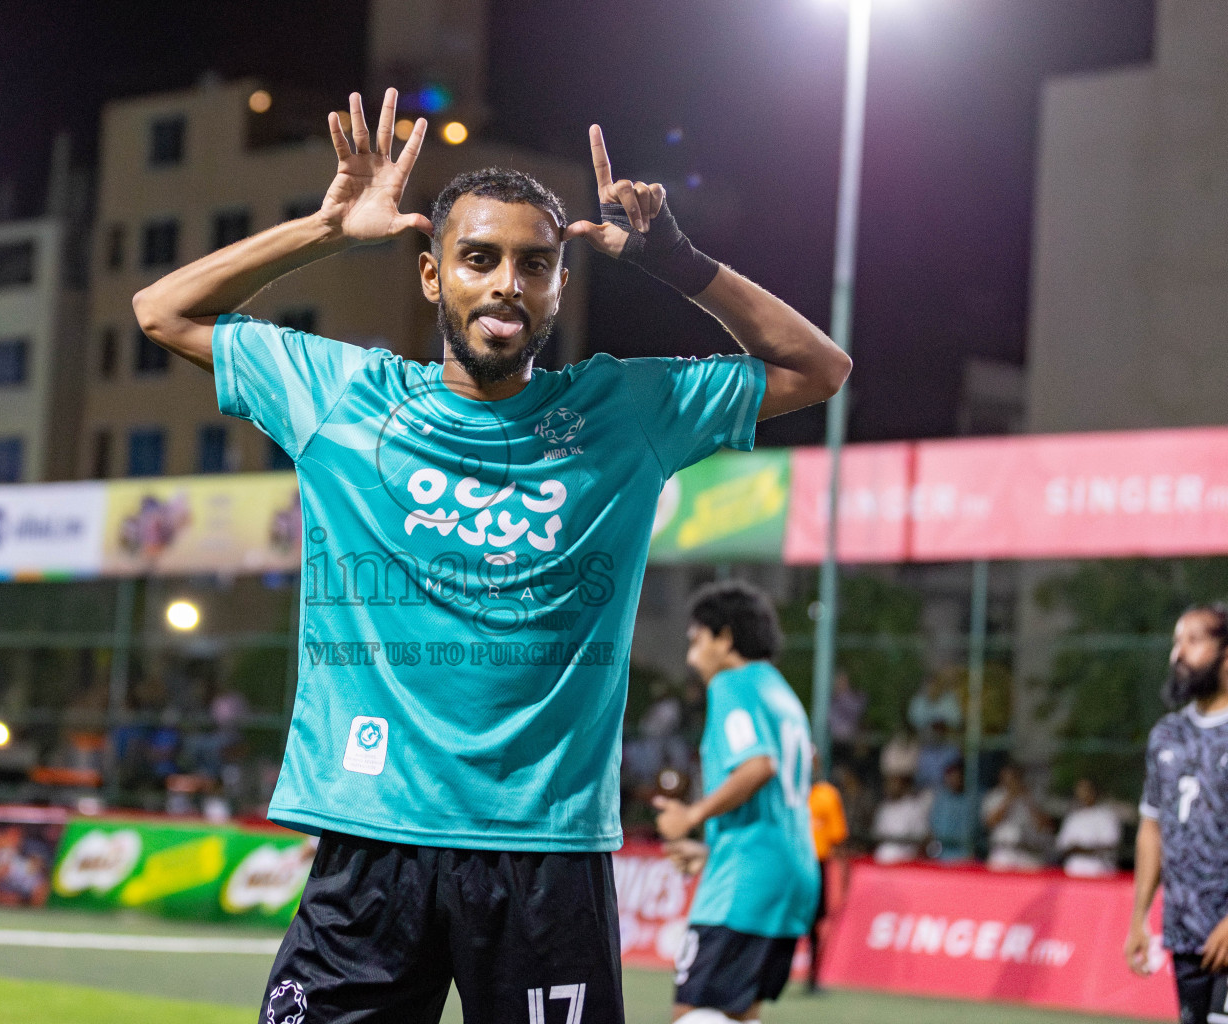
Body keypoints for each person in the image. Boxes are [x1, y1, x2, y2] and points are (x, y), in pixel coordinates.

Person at [132, 89, 850, 1024]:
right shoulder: (341, 396)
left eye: (534, 264)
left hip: (546, 858)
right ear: (434, 279)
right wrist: (324, 229)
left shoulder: (622, 413)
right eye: (478, 259)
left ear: (559, 287)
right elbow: (160, 311)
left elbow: (817, 370)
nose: (507, 282)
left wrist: (679, 265)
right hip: (372, 844)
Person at [652, 582, 819, 1024]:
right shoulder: (780, 692)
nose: (691, 656)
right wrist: (713, 849)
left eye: (696, 640)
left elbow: (757, 766)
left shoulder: (731, 685)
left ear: (724, 638)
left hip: (747, 880)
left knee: (693, 1013)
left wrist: (692, 814)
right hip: (791, 874)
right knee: (739, 1013)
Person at [1126, 603, 1228, 1024]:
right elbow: (1152, 828)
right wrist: (1139, 918)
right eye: (1175, 642)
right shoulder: (1167, 734)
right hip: (1185, 931)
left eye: (1193, 640)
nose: (1177, 654)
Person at [807, 755, 849, 994]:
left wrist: (843, 876)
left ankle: (813, 976)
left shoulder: (826, 795)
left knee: (816, 922)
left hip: (817, 864)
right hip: (789, 864)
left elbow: (838, 837)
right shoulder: (784, 793)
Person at [982, 763, 1052, 872]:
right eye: (1008, 777)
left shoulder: (1032, 795)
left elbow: (1045, 825)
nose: (1011, 780)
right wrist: (1009, 798)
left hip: (1028, 852)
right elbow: (990, 823)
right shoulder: (994, 796)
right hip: (1003, 851)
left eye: (1014, 776)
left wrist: (1027, 799)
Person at [1055, 777, 1121, 878]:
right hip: (1073, 872)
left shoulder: (1107, 815)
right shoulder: (1073, 817)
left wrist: (1080, 849)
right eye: (1080, 790)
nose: (1082, 794)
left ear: (1094, 791)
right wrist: (1078, 849)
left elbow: (1110, 845)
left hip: (1100, 872)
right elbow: (1062, 847)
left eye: (1086, 790)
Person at [872, 773, 930, 865]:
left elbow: (922, 837)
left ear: (903, 786)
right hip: (883, 857)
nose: (891, 787)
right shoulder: (884, 808)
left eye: (895, 783)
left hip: (906, 858)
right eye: (889, 784)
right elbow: (877, 836)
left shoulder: (913, 807)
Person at [927, 760, 975, 861]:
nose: (953, 780)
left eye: (957, 776)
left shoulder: (971, 799)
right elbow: (933, 826)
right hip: (941, 854)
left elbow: (972, 830)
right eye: (950, 776)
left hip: (964, 855)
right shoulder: (941, 799)